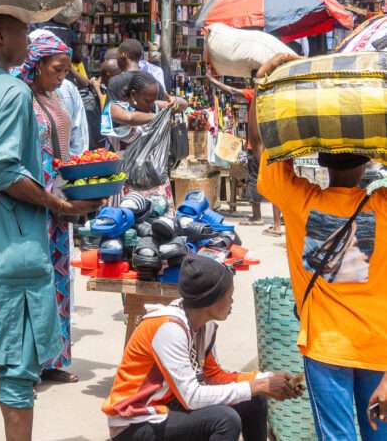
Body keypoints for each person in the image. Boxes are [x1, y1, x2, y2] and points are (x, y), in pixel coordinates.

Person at [0, 14, 101, 441]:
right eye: (19, 31)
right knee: (17, 378)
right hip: (19, 253)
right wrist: (58, 204)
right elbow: (5, 171)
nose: (25, 40)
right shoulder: (13, 92)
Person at [252, 54, 387, 441]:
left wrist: (265, 83)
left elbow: (267, 145)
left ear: (320, 160)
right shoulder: (383, 208)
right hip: (380, 345)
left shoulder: (299, 202)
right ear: (368, 161)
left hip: (326, 346)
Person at [103, 255, 300, 441]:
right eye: (228, 295)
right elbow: (192, 397)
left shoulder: (204, 326)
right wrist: (256, 386)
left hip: (168, 407)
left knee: (253, 401)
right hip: (135, 421)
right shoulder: (168, 328)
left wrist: (265, 380)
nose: (232, 302)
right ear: (210, 300)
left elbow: (213, 377)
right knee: (224, 419)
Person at [14, 33, 78, 383]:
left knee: (58, 281)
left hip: (59, 203)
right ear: (36, 65)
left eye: (66, 70)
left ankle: (54, 359)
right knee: (32, 281)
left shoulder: (51, 96)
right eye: (56, 69)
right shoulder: (20, 97)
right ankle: (25, 366)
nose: (61, 77)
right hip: (34, 202)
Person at [206, 71, 282, 234]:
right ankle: (276, 220)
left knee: (254, 179)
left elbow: (232, 91)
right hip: (272, 145)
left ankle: (257, 216)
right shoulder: (275, 95)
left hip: (255, 146)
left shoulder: (254, 93)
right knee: (275, 182)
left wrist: (212, 80)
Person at [110, 73, 186, 211]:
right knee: (129, 222)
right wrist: (159, 116)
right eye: (147, 100)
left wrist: (171, 99)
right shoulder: (114, 108)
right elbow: (130, 118)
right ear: (133, 94)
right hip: (128, 181)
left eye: (153, 100)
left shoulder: (154, 106)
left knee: (160, 225)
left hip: (155, 181)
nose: (150, 104)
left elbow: (183, 104)